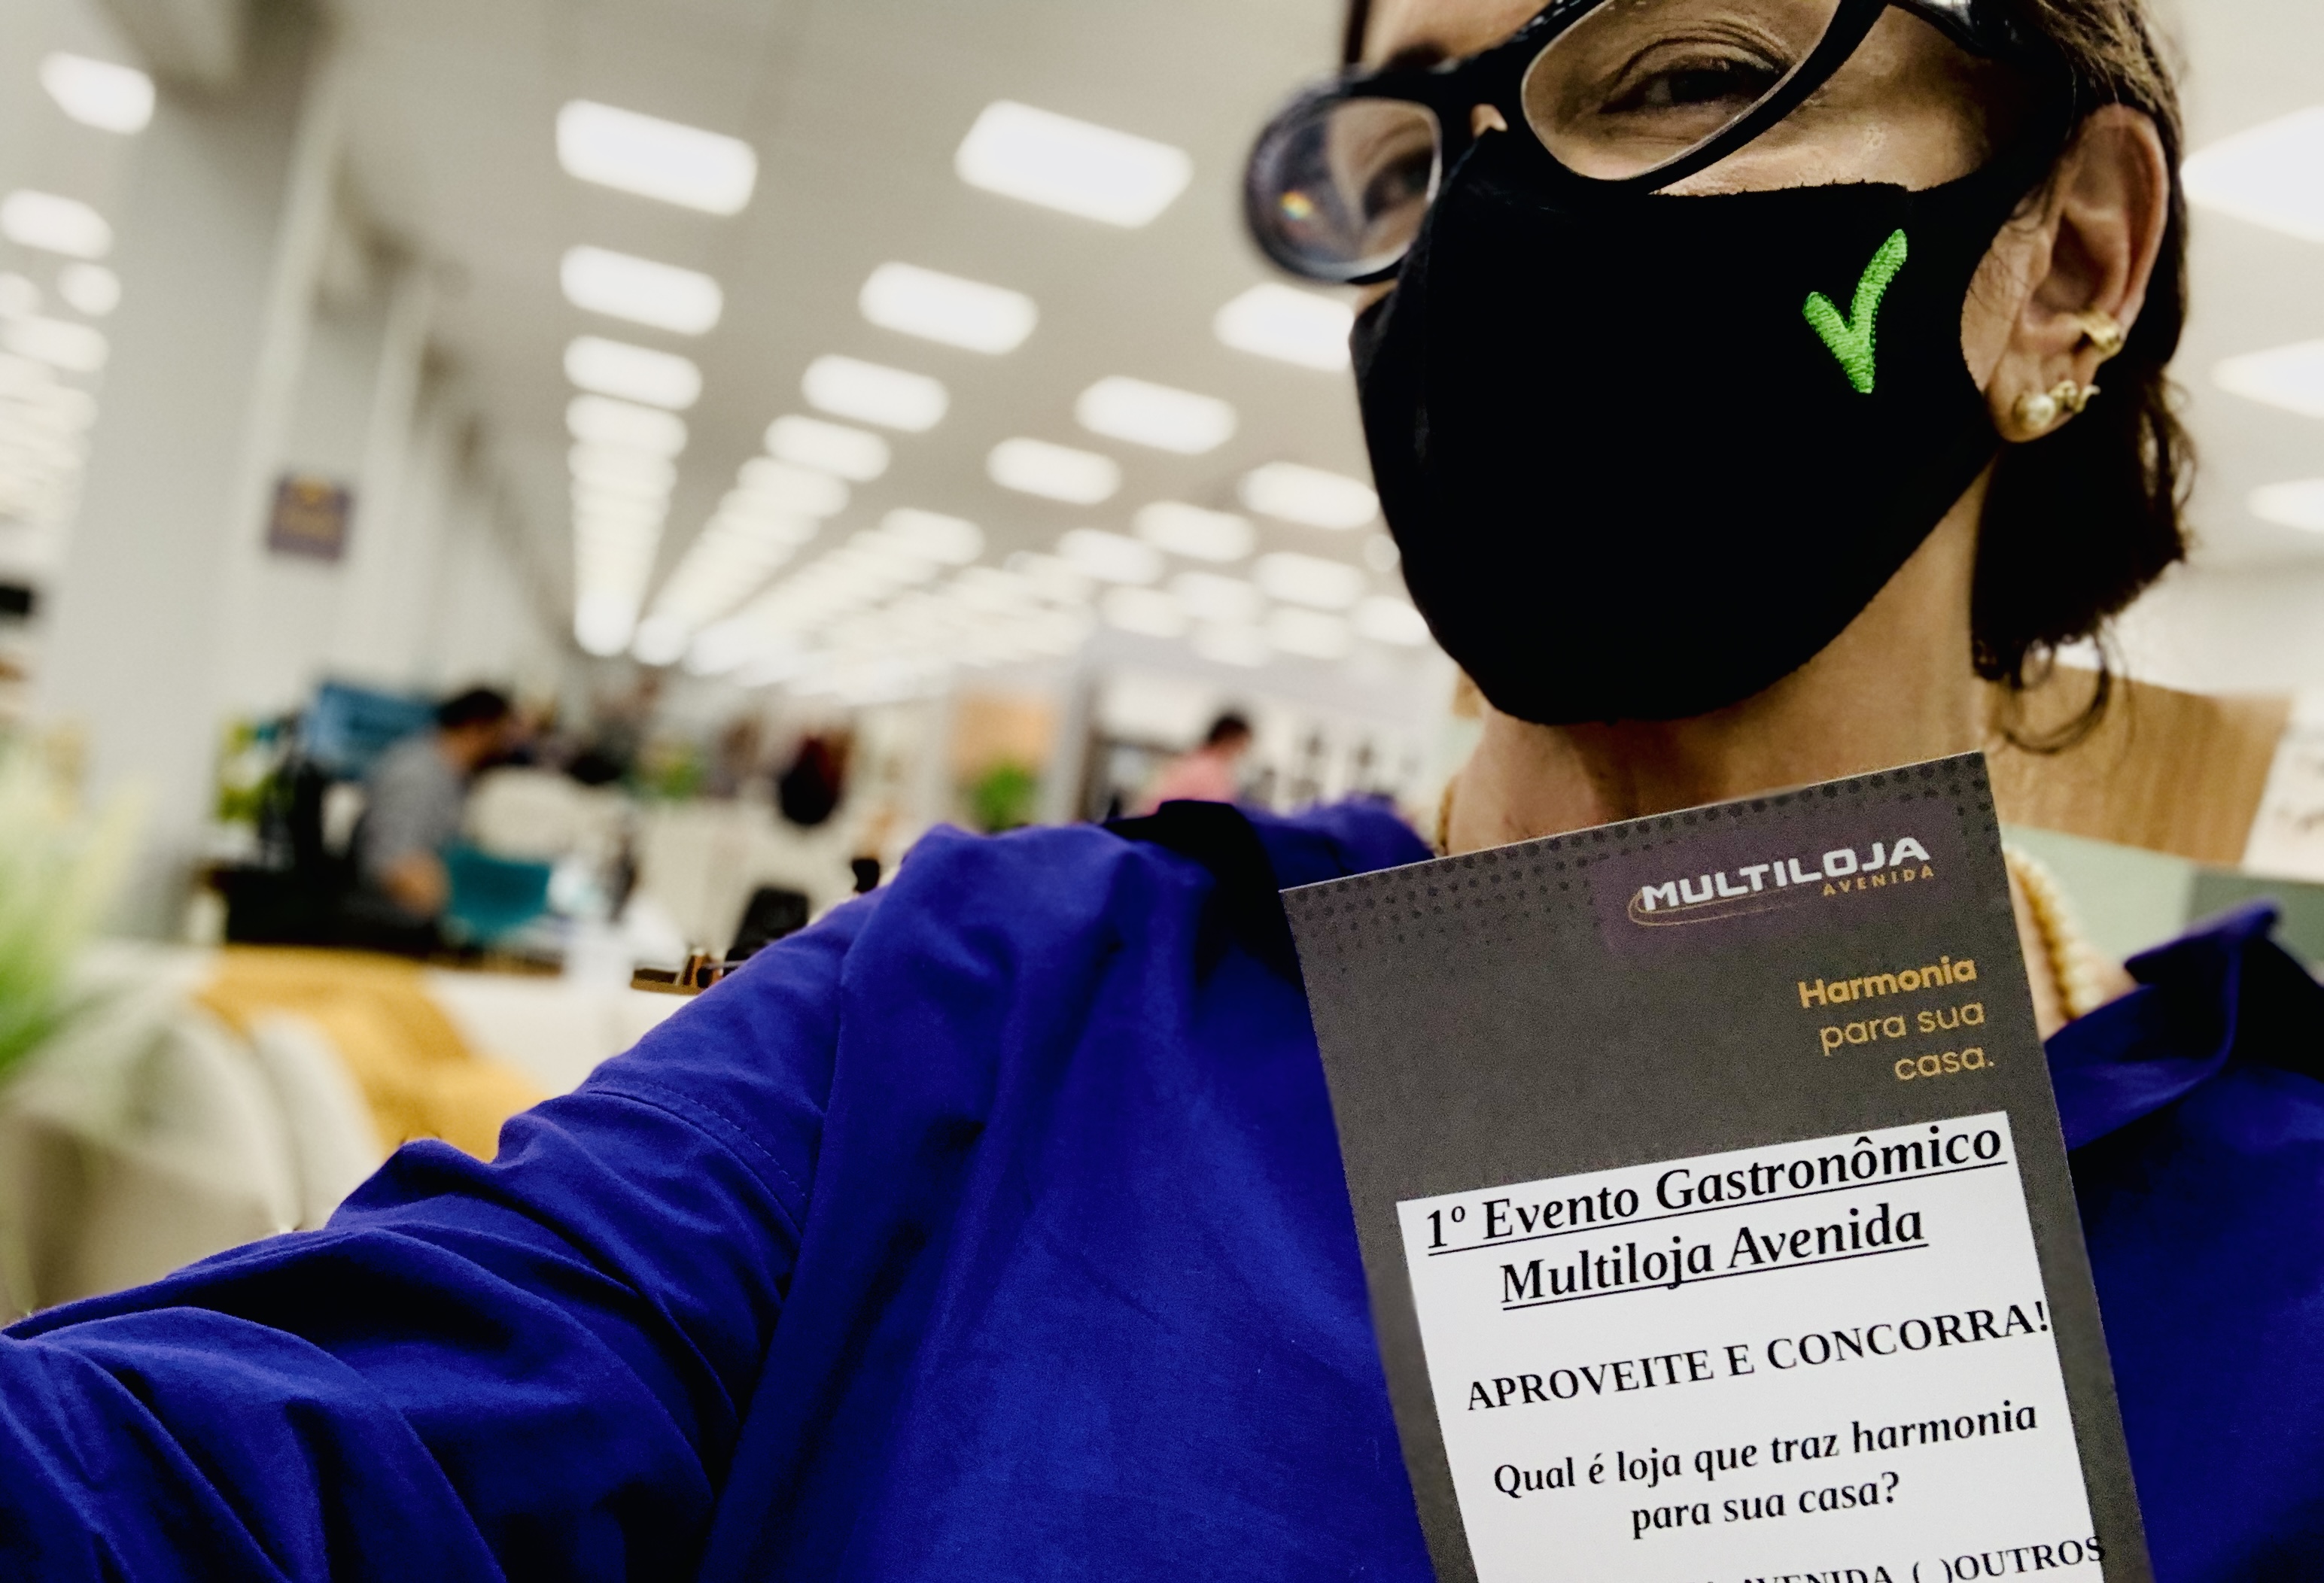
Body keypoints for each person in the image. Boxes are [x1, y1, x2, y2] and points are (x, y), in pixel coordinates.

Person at [5, 1, 2320, 1578]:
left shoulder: (2271, 1237)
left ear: (2067, 260)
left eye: (1686, 72)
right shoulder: (988, 1013)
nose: (1502, 226)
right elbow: (266, 1445)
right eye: (1408, 152)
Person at [345, 687, 518, 944]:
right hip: (390, 922)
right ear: (477, 729)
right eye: (502, 736)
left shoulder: (449, 774)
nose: (507, 747)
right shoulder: (419, 776)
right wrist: (463, 919)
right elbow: (392, 865)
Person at [1135, 710, 1255, 812]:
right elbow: (1160, 805)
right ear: (1227, 739)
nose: (1242, 751)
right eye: (1241, 744)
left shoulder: (1214, 768)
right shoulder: (1202, 768)